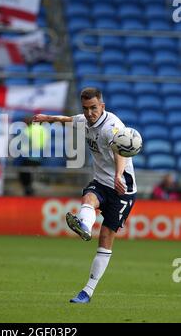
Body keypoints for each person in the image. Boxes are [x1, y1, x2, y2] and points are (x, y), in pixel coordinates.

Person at [33, 87, 137, 304]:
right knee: (88, 199)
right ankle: (85, 228)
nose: (90, 113)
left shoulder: (112, 126)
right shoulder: (84, 119)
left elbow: (120, 152)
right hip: (100, 181)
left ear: (103, 106)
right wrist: (47, 118)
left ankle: (87, 291)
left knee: (106, 238)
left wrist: (118, 174)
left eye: (94, 108)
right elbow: (68, 119)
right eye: (86, 109)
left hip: (122, 189)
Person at [17, 116, 49, 196]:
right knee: (31, 173)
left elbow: (23, 147)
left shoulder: (27, 130)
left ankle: (28, 190)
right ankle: (32, 188)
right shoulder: (43, 130)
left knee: (24, 172)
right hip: (41, 157)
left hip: (30, 157)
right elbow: (45, 144)